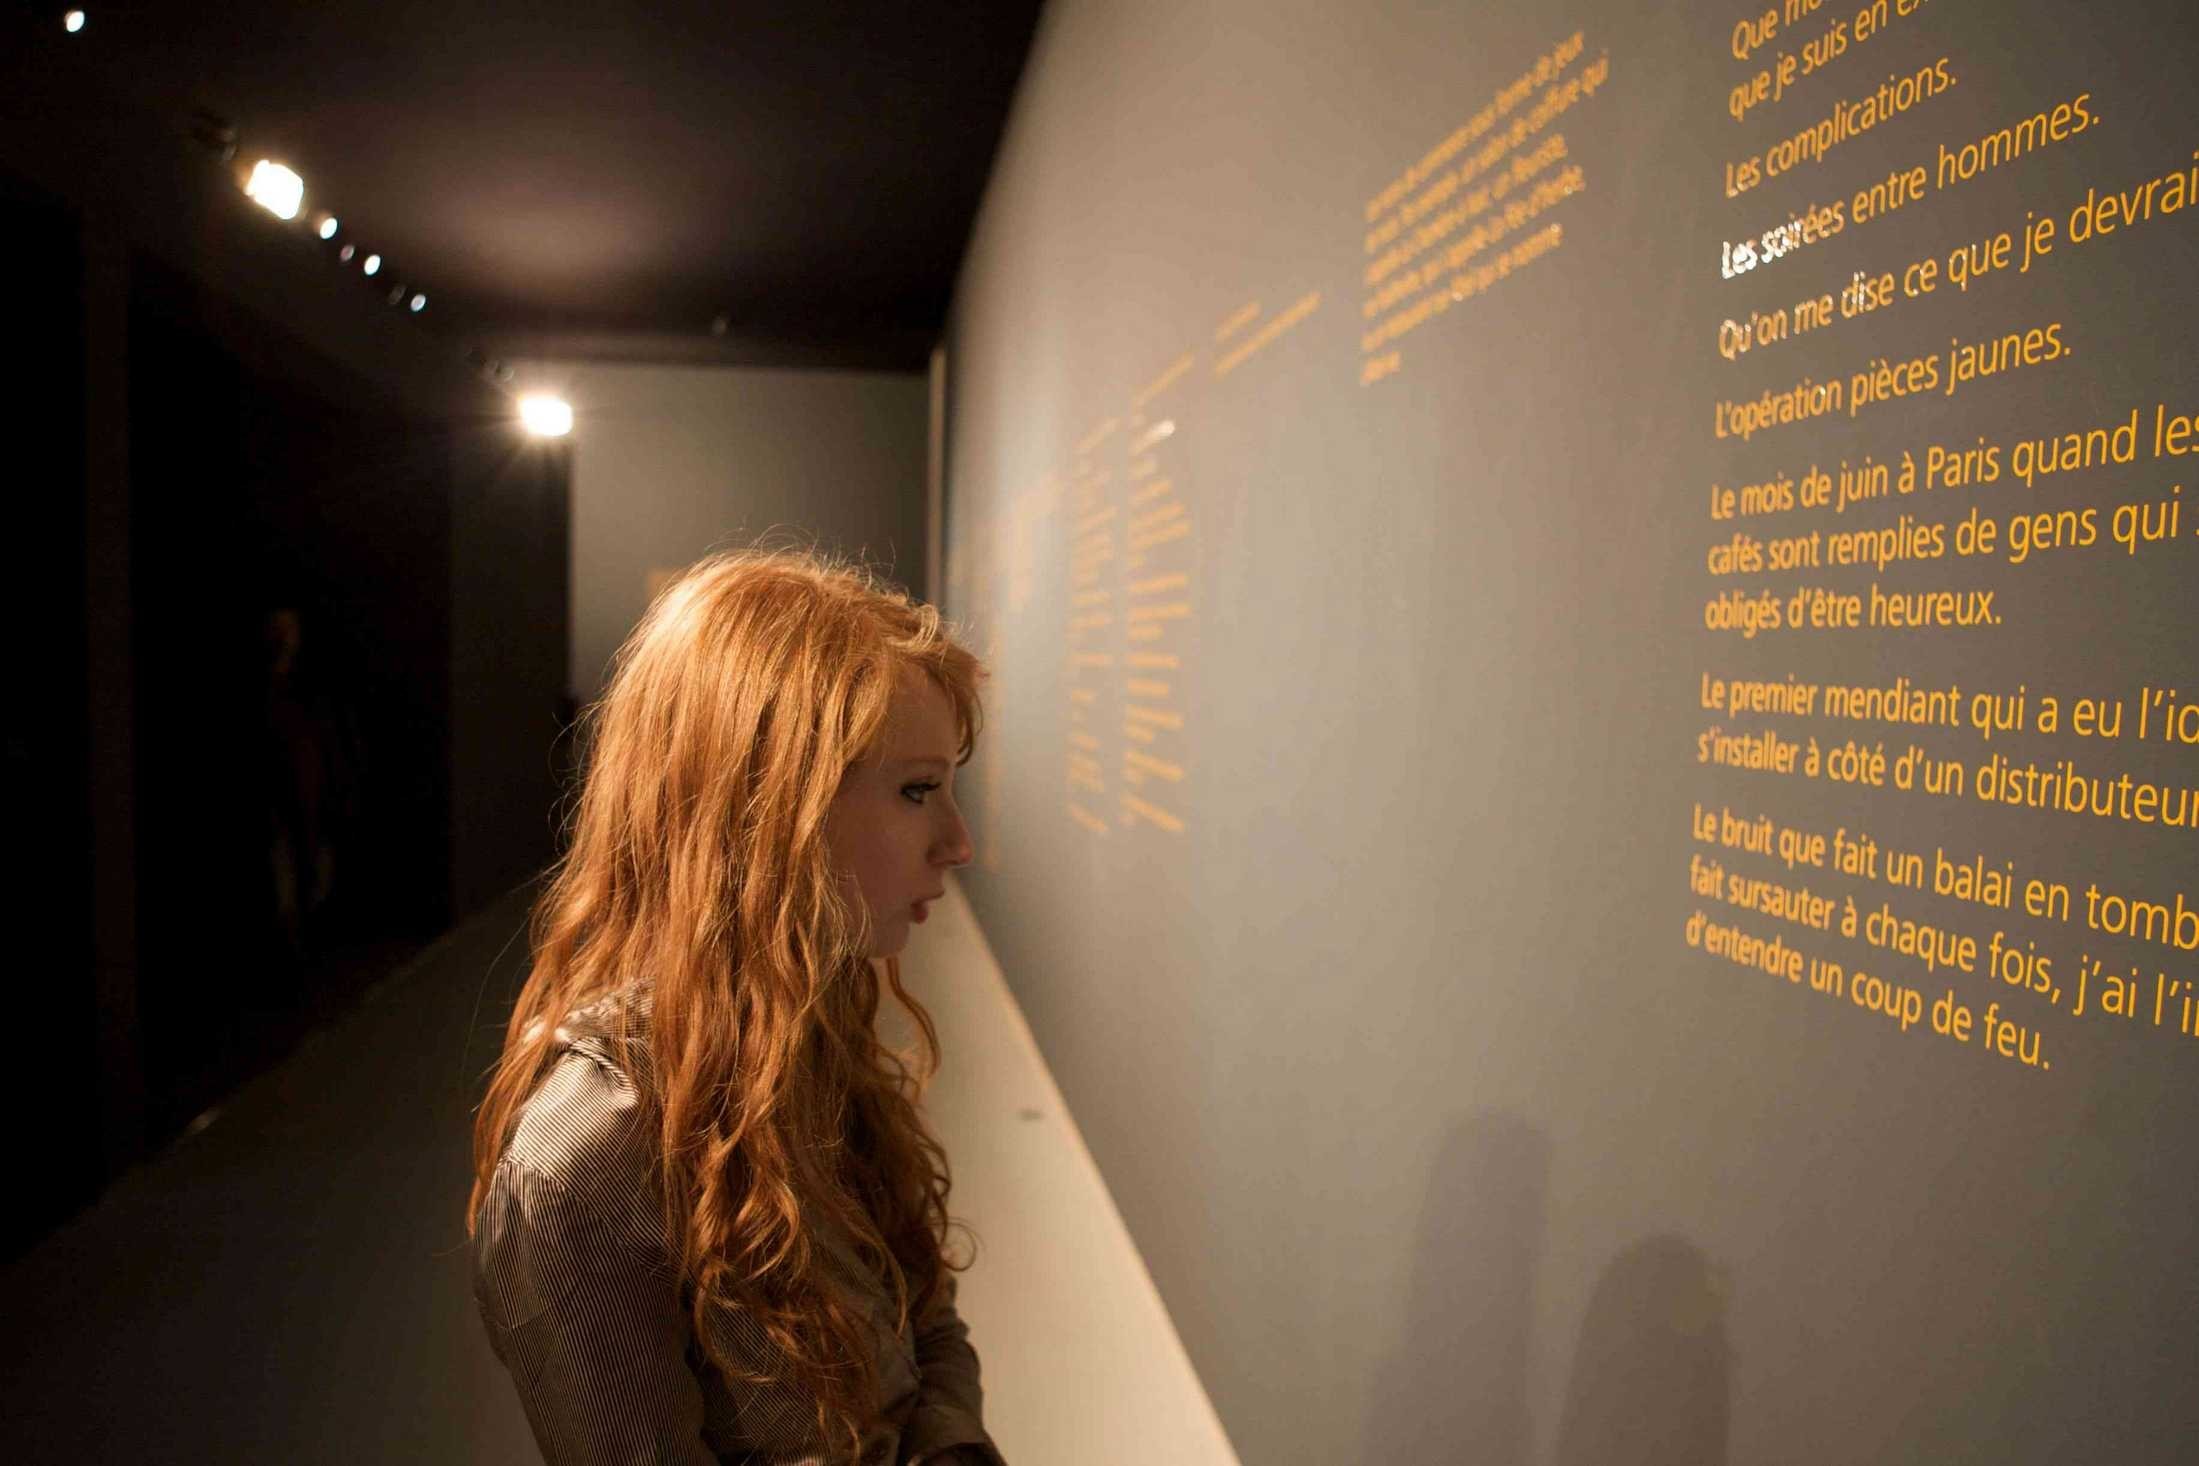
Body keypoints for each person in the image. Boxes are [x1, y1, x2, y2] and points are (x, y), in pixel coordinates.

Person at [467, 547, 1004, 1465]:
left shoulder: (807, 1027)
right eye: (917, 790)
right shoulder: (585, 1156)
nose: (957, 842)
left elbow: (924, 1319)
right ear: (765, 809)